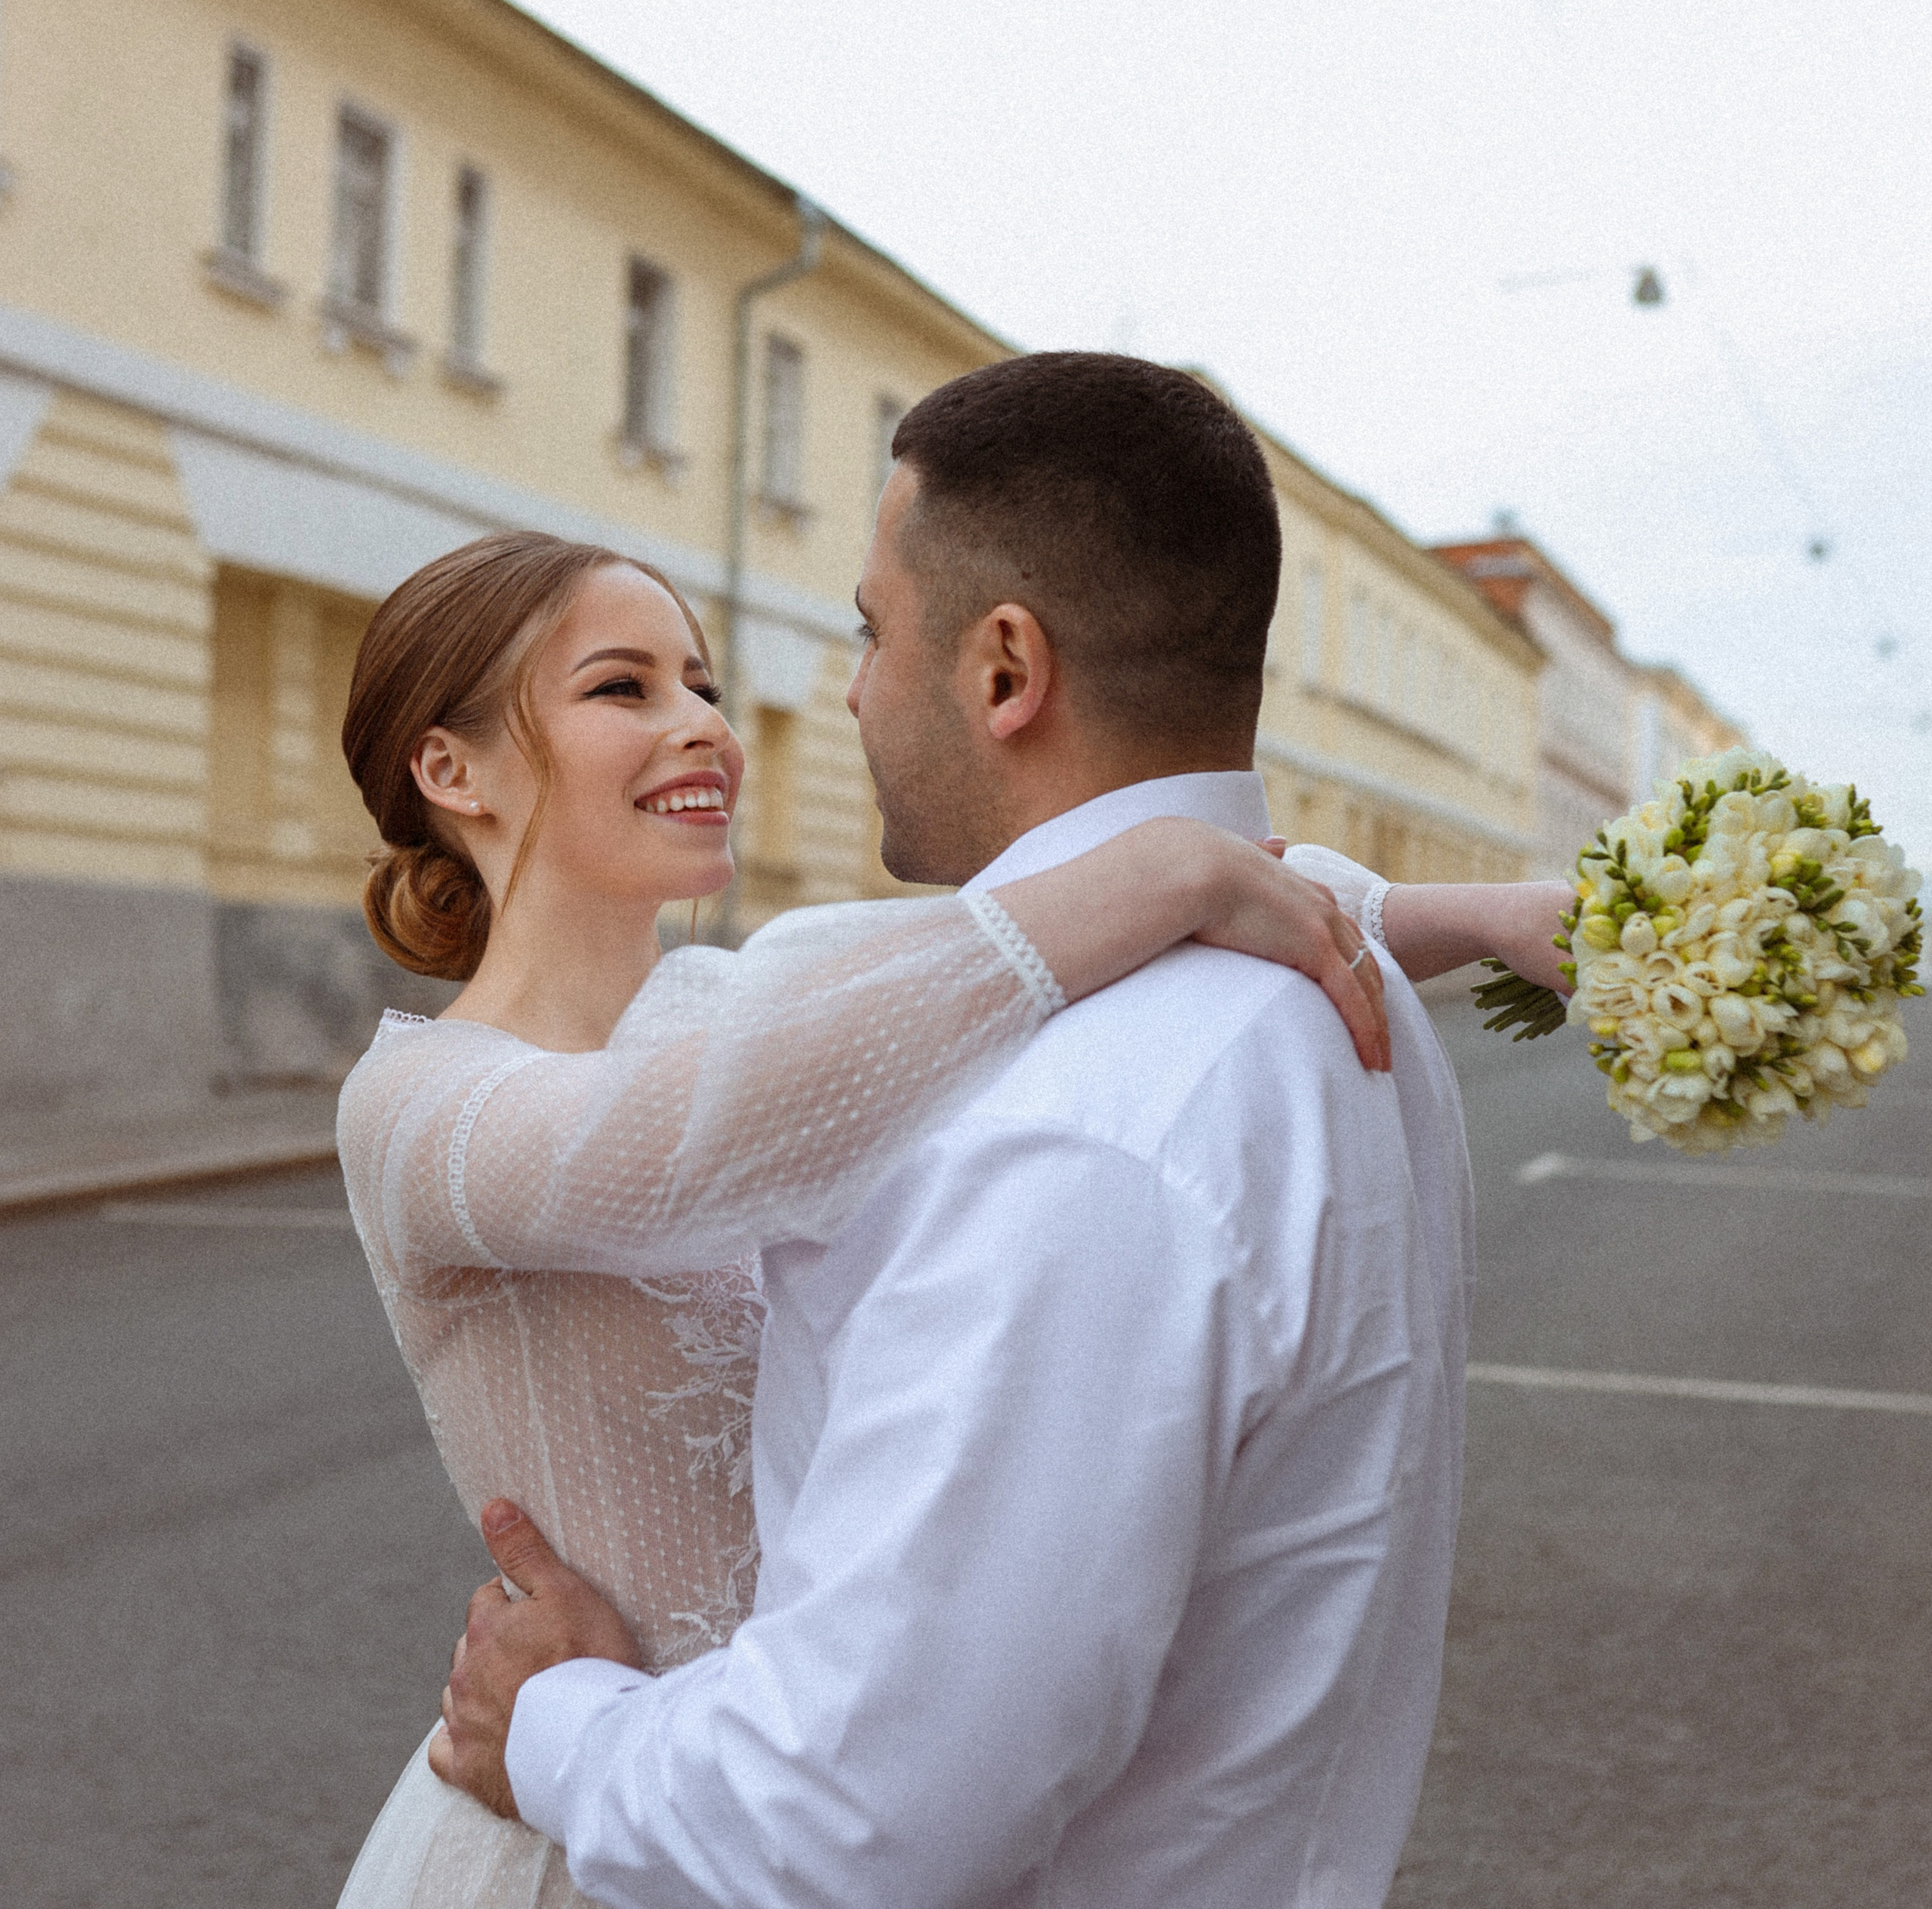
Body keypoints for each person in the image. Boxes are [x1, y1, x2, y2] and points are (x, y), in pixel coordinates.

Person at [424, 354, 1571, 1908]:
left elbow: (850, 1824)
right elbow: (818, 991)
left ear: (1002, 667)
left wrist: (544, 1716)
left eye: (868, 630)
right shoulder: (1322, 992)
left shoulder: (1072, 1123)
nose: (842, 691)